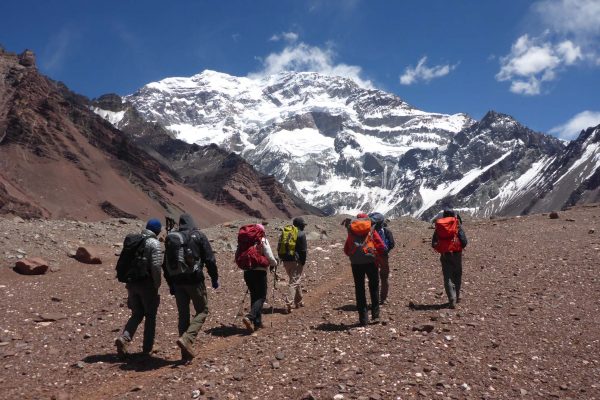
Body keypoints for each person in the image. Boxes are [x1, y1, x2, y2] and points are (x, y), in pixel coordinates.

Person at [163, 213, 219, 361]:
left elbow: (165, 264)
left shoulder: (172, 238)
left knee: (183, 314)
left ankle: (185, 353)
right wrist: (214, 278)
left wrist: (171, 284)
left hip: (177, 282)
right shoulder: (198, 236)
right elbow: (210, 259)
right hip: (194, 280)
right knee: (202, 310)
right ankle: (187, 339)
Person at [115, 218, 163, 358]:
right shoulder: (154, 243)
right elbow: (156, 267)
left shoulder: (135, 241)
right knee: (150, 316)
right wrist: (157, 284)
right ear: (157, 230)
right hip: (146, 284)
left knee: (137, 313)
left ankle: (124, 338)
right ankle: (147, 348)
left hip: (131, 283)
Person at [344, 213, 386, 326]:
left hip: (356, 264)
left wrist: (353, 255)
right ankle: (375, 315)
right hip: (371, 261)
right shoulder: (371, 229)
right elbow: (381, 246)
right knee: (374, 287)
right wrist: (377, 256)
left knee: (359, 289)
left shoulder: (351, 231)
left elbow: (346, 249)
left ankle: (363, 319)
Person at [240, 224, 278, 332]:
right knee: (261, 297)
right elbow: (269, 255)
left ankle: (257, 322)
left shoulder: (245, 241)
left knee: (254, 296)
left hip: (247, 272)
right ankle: (250, 317)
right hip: (259, 272)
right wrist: (274, 263)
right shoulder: (262, 239)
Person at [431, 210, 468, 309]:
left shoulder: (440, 226)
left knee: (448, 277)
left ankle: (451, 298)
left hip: (445, 254)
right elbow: (464, 241)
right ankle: (457, 296)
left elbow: (433, 243)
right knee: (457, 275)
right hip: (457, 254)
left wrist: (440, 248)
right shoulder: (456, 225)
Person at [278, 217, 308, 314]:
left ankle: (299, 301)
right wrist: (303, 261)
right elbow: (303, 251)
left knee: (295, 279)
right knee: (294, 282)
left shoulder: (285, 232)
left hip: (285, 260)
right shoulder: (301, 234)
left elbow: (279, 247)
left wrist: (281, 258)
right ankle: (288, 303)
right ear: (300, 225)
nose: (304, 226)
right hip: (296, 261)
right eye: (303, 224)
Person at [369, 212, 395, 305]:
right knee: (384, 278)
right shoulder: (386, 231)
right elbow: (392, 244)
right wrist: (386, 251)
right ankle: (383, 298)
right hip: (383, 256)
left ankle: (374, 299)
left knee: (373, 278)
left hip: (372, 256)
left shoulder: (369, 232)